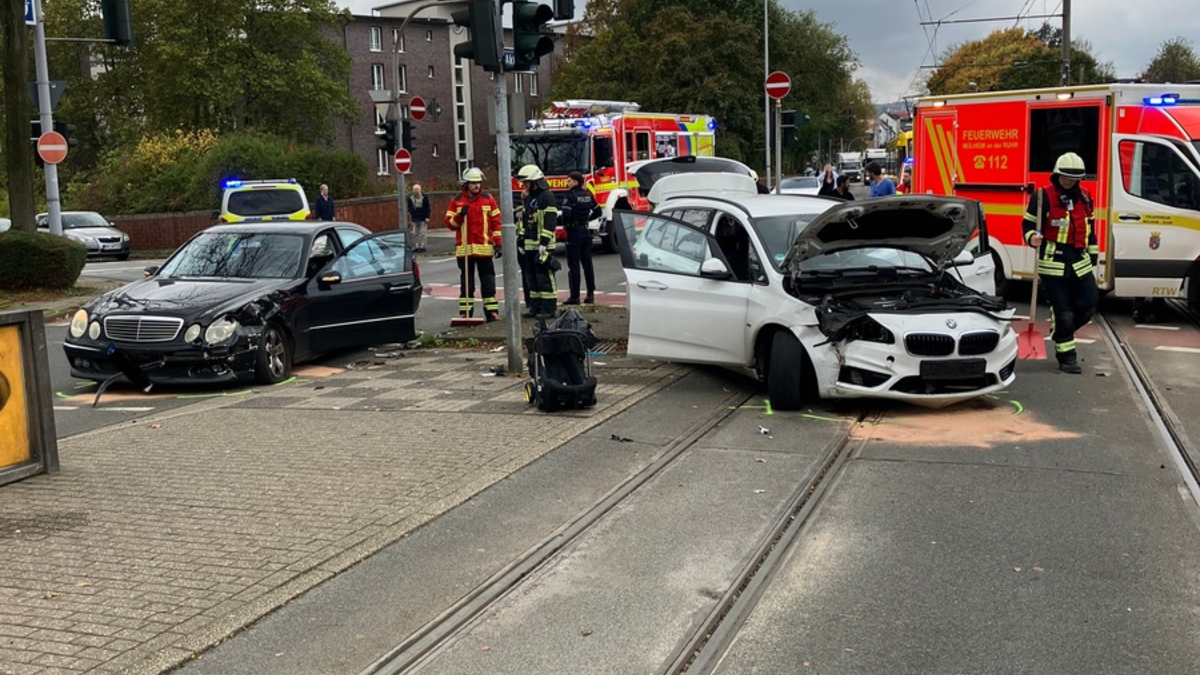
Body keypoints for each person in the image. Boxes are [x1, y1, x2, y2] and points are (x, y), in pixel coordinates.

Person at [1023, 152, 1099, 374]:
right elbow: (1027, 225)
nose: (1070, 182)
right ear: (1057, 175)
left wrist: (1093, 255)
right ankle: (1067, 358)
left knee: (1088, 305)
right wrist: (1031, 238)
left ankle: (1060, 331)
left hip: (1079, 263)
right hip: (1053, 264)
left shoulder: (1084, 196)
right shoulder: (1042, 197)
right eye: (1066, 177)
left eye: (1074, 178)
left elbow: (1090, 230)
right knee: (1063, 312)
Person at [445, 167, 502, 322]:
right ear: (466, 184)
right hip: (465, 249)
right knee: (467, 282)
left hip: (484, 248)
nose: (477, 186)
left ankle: (491, 312)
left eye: (478, 183)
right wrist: (459, 215)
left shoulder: (488, 199)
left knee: (488, 281)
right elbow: (450, 224)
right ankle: (466, 312)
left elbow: (496, 223)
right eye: (473, 183)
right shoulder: (456, 201)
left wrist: (498, 243)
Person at [517, 163, 560, 319]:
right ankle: (536, 307)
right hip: (529, 245)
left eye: (526, 182)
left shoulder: (547, 197)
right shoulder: (529, 198)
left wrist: (544, 242)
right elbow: (525, 220)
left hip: (543, 245)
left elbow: (550, 221)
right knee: (531, 277)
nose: (524, 185)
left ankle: (549, 309)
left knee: (545, 277)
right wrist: (521, 239)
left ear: (535, 181)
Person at [559, 172, 598, 305]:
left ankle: (575, 296)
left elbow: (565, 214)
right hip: (585, 231)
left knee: (574, 265)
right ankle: (590, 294)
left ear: (575, 182)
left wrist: (566, 224)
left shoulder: (570, 197)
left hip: (574, 232)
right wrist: (586, 219)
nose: (567, 183)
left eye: (569, 181)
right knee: (587, 264)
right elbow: (598, 211)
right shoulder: (588, 195)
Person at [407, 183, 431, 252]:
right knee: (415, 233)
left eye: (417, 189)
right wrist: (410, 215)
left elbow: (427, 208)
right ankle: (417, 246)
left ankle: (423, 246)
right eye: (415, 189)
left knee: (422, 232)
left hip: (423, 217)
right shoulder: (410, 198)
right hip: (414, 217)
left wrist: (427, 217)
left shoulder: (424, 197)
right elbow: (409, 207)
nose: (416, 191)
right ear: (413, 190)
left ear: (420, 189)